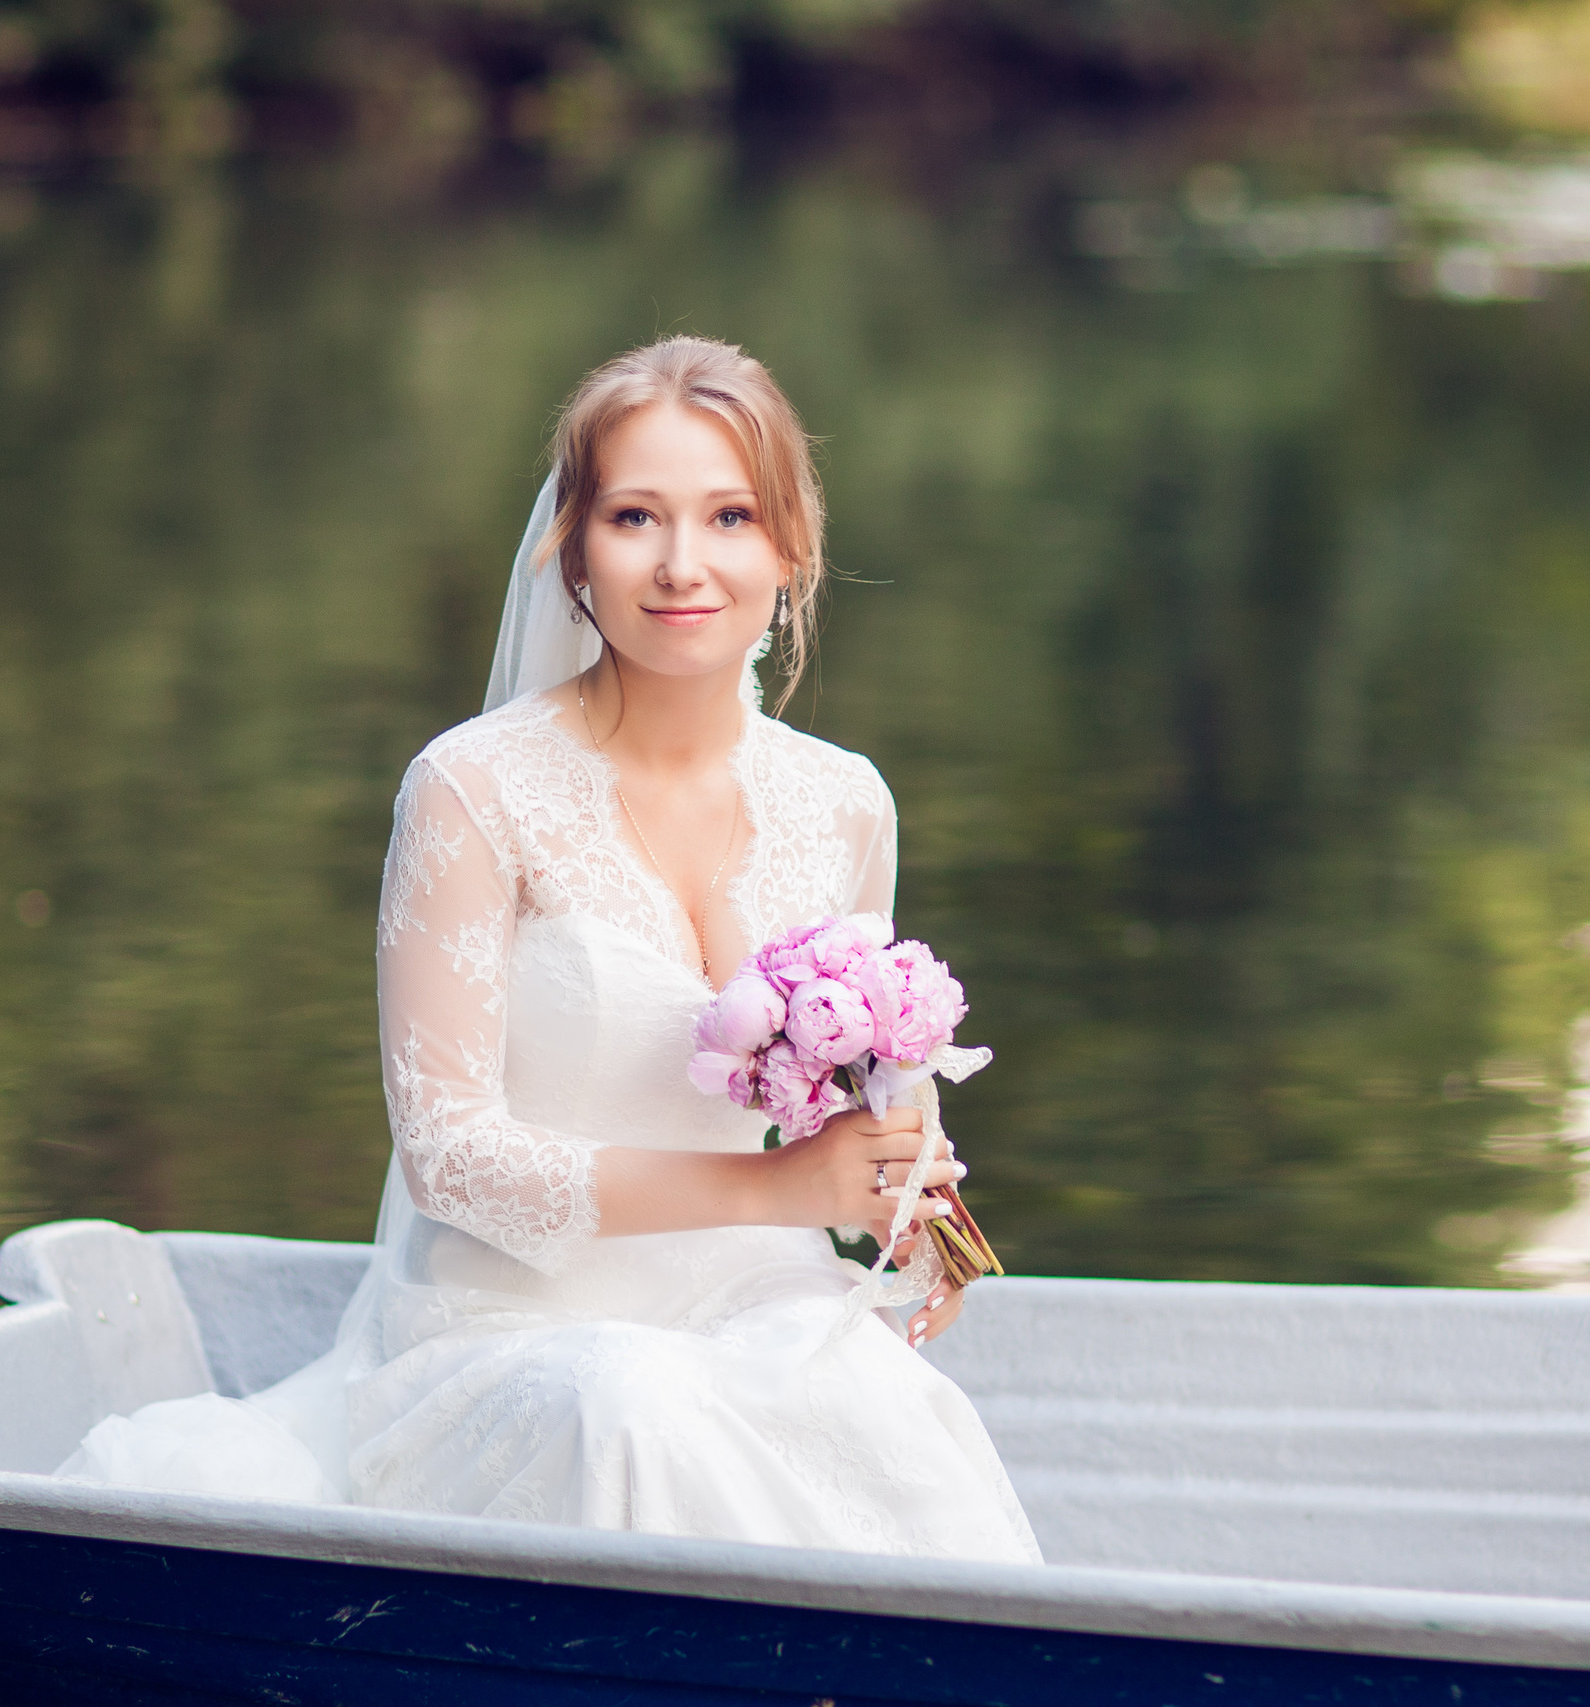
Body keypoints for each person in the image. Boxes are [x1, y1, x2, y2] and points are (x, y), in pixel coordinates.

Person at [61, 335, 1041, 1563]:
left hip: (757, 1300)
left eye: (729, 516)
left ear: (789, 549)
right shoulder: (472, 790)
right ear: (574, 550)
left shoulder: (845, 803)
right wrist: (778, 1190)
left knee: (890, 1409)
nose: (681, 563)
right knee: (632, 1408)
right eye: (635, 517)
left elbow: (855, 1096)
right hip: (511, 1327)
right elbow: (448, 1160)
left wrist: (904, 1175)